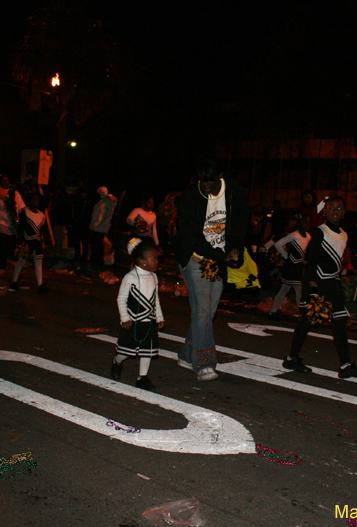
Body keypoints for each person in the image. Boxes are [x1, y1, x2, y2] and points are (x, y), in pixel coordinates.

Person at [172, 159, 248, 381]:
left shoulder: (233, 191)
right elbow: (192, 236)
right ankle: (204, 363)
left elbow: (240, 221)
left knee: (209, 311)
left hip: (219, 258)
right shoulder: (190, 197)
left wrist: (235, 248)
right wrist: (220, 255)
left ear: (220, 177)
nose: (205, 185)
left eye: (210, 181)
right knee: (203, 310)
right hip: (195, 257)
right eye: (202, 180)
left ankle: (187, 355)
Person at [284, 196, 357, 378]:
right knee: (307, 320)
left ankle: (345, 366)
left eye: (339, 208)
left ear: (344, 212)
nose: (335, 212)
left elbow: (337, 259)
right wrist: (313, 289)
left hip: (333, 283)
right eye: (331, 208)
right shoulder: (320, 232)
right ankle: (291, 358)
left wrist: (341, 276)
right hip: (317, 282)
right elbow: (312, 261)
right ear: (325, 211)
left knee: (339, 323)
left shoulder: (345, 234)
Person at [112, 239, 164, 390]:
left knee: (146, 351)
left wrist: (159, 316)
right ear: (142, 261)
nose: (156, 262)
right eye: (154, 259)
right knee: (126, 352)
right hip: (133, 321)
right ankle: (117, 362)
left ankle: (142, 377)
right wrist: (124, 318)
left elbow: (156, 299)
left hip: (148, 321)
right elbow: (121, 298)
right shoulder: (130, 278)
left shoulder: (154, 277)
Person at [268, 214, 311, 318]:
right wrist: (286, 255)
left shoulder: (309, 237)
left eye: (309, 222)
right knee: (298, 290)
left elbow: (304, 251)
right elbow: (278, 244)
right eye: (305, 222)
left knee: (284, 290)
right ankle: (303, 314)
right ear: (299, 223)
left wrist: (303, 260)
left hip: (298, 266)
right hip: (291, 266)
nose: (307, 225)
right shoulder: (293, 235)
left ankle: (272, 311)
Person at [9, 193, 48, 294]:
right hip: (27, 242)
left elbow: (41, 229)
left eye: (37, 200)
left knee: (38, 262)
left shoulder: (41, 214)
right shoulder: (25, 213)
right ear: (29, 202)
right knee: (22, 261)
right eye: (34, 200)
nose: (37, 201)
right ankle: (14, 281)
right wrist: (21, 242)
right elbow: (21, 228)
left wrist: (41, 241)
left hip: (37, 242)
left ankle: (40, 285)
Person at [90, 186, 118, 266]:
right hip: (103, 227)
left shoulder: (103, 203)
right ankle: (97, 260)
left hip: (99, 227)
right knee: (99, 244)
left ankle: (96, 260)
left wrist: (94, 225)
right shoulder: (109, 202)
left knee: (96, 244)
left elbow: (100, 216)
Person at [50, 185, 73, 265]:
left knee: (61, 239)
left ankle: (61, 254)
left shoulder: (63, 200)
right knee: (59, 238)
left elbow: (64, 211)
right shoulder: (61, 199)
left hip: (61, 222)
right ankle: (59, 253)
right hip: (59, 222)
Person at [70, 187, 90, 262]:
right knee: (82, 241)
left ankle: (80, 256)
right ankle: (81, 256)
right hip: (81, 224)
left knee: (80, 241)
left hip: (80, 224)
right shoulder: (80, 202)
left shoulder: (78, 202)